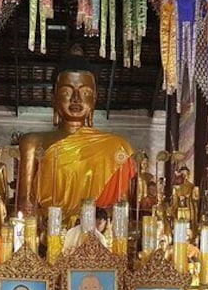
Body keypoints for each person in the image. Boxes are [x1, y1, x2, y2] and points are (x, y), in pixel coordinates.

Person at [15, 65, 135, 218]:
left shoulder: (117, 147)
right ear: (55, 98)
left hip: (95, 231)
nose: (76, 99)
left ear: (94, 99)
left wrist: (96, 221)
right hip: (49, 229)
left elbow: (121, 207)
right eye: (67, 92)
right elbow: (25, 202)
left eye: (85, 92)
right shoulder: (32, 142)